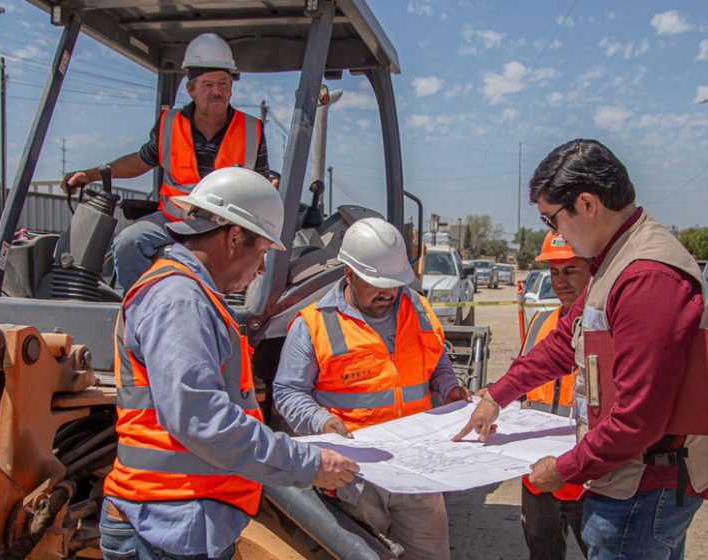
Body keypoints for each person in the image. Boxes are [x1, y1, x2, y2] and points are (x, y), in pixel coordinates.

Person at [454, 139, 708, 559]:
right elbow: (562, 344)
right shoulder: (615, 261)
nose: (555, 234)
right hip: (633, 474)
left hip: (644, 487)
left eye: (552, 220)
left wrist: (564, 469)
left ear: (588, 204)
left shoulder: (647, 277)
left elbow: (638, 420)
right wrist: (499, 394)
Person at [101, 167, 359, 560]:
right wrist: (308, 462)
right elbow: (203, 420)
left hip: (178, 520)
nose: (260, 270)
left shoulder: (195, 295)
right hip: (164, 526)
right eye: (260, 255)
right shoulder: (180, 301)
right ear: (235, 237)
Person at [273, 217, 470, 560]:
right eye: (376, 283)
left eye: (394, 283)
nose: (388, 293)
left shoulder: (418, 308)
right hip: (355, 480)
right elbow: (288, 392)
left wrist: (450, 387)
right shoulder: (313, 325)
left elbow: (436, 359)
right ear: (348, 274)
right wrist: (319, 421)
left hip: (418, 472)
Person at [63, 32, 269, 293]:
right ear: (191, 89)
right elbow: (140, 160)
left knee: (257, 260)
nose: (217, 91)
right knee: (128, 242)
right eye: (207, 85)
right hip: (174, 222)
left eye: (223, 83)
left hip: (225, 226)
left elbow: (263, 181)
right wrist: (91, 174)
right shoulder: (170, 125)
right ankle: (139, 312)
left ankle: (217, 315)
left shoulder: (251, 129)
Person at [518, 232, 591, 560]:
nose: (561, 282)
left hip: (588, 478)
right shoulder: (539, 324)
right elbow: (523, 390)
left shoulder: (609, 328)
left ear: (592, 268)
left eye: (571, 270)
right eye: (555, 272)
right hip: (538, 477)